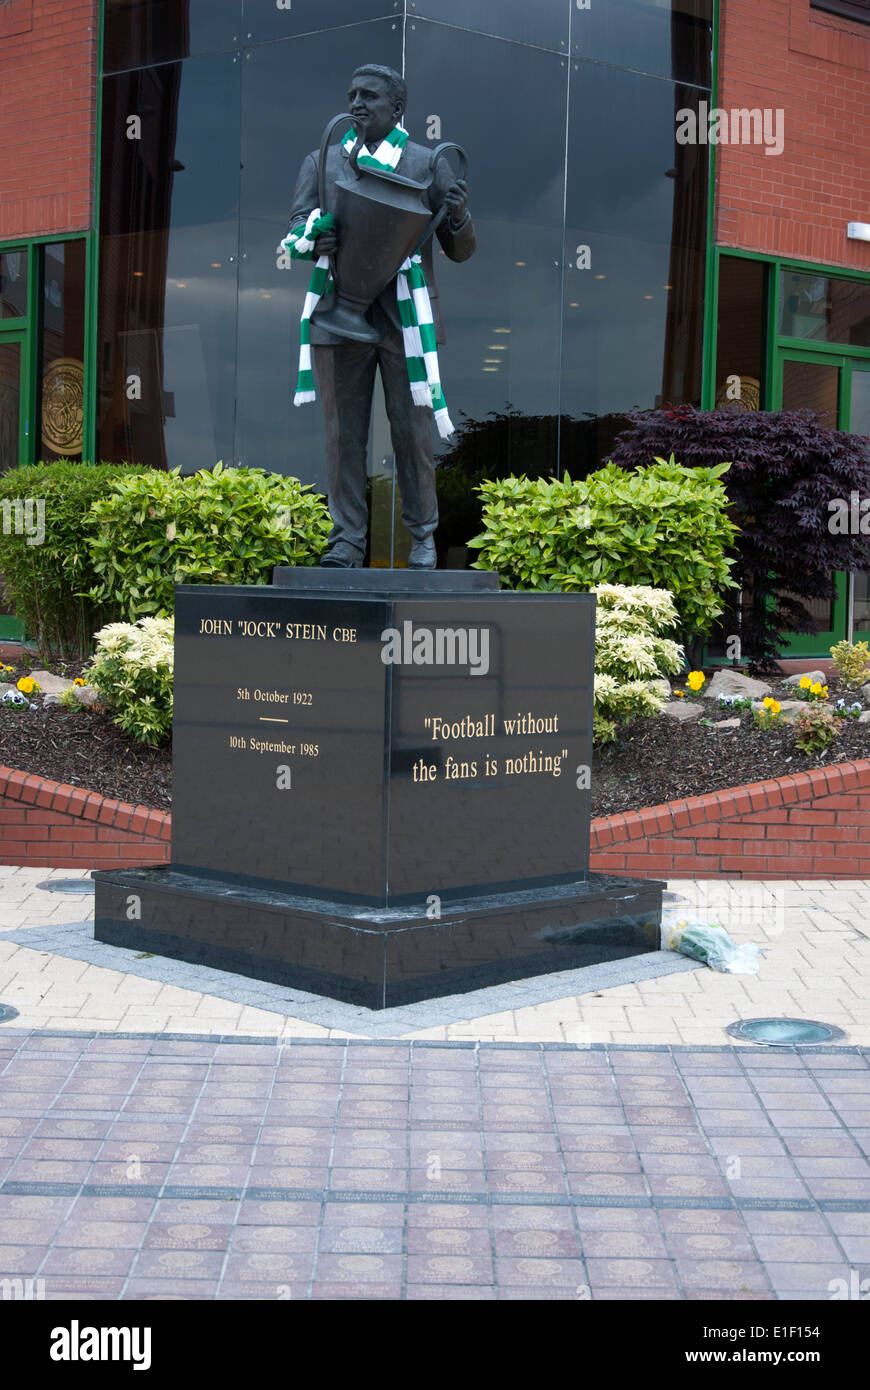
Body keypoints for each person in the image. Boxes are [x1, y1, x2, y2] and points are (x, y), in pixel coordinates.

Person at [282, 64, 475, 568]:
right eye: (351, 94)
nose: (357, 103)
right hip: (336, 313)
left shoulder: (428, 163)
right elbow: (297, 228)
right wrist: (313, 238)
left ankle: (423, 538)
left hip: (402, 319)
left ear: (397, 107)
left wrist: (458, 214)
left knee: (413, 434)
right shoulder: (322, 161)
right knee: (343, 435)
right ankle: (346, 542)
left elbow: (461, 250)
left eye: (369, 95)